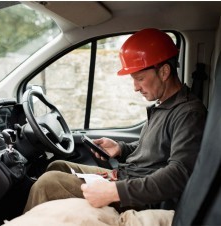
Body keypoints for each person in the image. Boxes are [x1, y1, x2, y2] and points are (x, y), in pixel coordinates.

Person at [23, 28, 207, 213]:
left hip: (140, 198)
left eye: (140, 78)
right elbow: (153, 152)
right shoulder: (164, 105)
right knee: (57, 166)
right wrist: (120, 148)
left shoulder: (188, 113)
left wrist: (116, 191)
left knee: (47, 183)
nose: (136, 88)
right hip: (125, 177)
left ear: (164, 71)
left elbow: (180, 174)